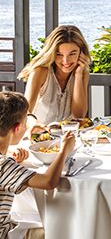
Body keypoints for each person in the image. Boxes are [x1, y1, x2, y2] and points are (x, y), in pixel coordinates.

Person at [0, 91, 76, 239]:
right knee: (59, 230)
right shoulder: (4, 166)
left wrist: (11, 157)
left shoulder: (6, 162)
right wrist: (64, 150)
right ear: (16, 129)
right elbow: (49, 181)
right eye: (25, 126)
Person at [17, 25, 91, 133]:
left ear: (81, 51)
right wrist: (35, 124)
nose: (66, 61)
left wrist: (78, 75)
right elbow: (25, 111)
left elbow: (79, 115)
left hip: (66, 137)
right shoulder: (40, 71)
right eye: (59, 54)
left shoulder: (82, 73)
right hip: (36, 135)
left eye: (72, 54)